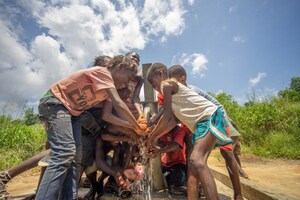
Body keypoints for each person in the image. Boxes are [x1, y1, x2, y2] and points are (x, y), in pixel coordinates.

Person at [36, 54, 146, 200]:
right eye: (127, 79)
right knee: (64, 153)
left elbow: (107, 115)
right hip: (55, 103)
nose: (126, 84)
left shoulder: (108, 89)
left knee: (76, 158)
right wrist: (136, 125)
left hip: (74, 112)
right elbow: (119, 104)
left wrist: (132, 126)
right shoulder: (103, 73)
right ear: (120, 67)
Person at [146, 63, 233, 200]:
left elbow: (166, 116)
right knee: (192, 168)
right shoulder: (173, 97)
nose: (153, 86)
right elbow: (172, 122)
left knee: (196, 160)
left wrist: (152, 136)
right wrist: (154, 136)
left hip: (209, 117)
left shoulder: (167, 85)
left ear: (161, 73)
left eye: (152, 81)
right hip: (201, 124)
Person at [168, 64, 244, 200]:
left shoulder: (191, 90)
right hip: (196, 123)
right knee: (194, 157)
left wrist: (225, 123)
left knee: (227, 153)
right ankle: (198, 190)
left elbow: (215, 107)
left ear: (182, 78)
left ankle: (238, 194)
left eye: (173, 81)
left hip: (217, 117)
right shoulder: (175, 94)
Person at [148, 126, 187, 195]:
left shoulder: (180, 131)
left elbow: (176, 146)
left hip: (179, 162)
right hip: (166, 163)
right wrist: (158, 147)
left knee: (177, 183)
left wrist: (160, 151)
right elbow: (162, 143)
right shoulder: (165, 130)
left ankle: (181, 186)